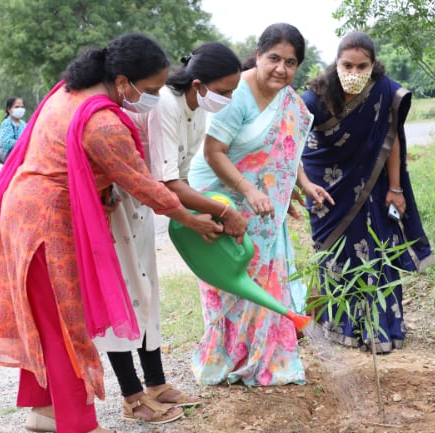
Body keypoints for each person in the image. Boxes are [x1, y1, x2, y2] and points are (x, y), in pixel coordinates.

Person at [0, 33, 223, 433]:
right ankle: (79, 424)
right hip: (46, 223)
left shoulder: (65, 92)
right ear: (123, 82)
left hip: (25, 213)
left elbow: (64, 159)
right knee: (64, 326)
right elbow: (145, 186)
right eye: (151, 90)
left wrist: (97, 190)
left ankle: (46, 413)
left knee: (46, 320)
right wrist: (193, 218)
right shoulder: (103, 122)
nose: (155, 98)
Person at [93, 41, 247, 423]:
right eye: (224, 91)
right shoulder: (165, 106)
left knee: (146, 295)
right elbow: (169, 181)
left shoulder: (195, 112)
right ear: (199, 85)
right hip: (119, 205)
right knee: (123, 297)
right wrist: (222, 210)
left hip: (144, 206)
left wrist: (210, 209)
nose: (228, 98)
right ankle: (131, 397)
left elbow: (177, 179)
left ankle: (156, 383)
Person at [187, 23, 334, 386]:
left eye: (291, 62)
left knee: (267, 282)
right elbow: (213, 151)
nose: (281, 69)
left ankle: (267, 357)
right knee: (229, 279)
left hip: (264, 204)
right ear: (258, 55)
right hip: (219, 197)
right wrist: (248, 192)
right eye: (274, 59)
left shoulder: (288, 99)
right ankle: (228, 356)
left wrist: (301, 184)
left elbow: (286, 148)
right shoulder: (234, 94)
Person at [301, 31, 434, 353]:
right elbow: (292, 146)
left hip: (374, 190)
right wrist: (303, 183)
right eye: (348, 65)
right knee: (335, 255)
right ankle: (341, 326)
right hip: (327, 192)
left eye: (363, 67)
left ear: (374, 66)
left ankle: (381, 328)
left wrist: (395, 188)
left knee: (377, 251)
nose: (355, 73)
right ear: (336, 63)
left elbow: (392, 141)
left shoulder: (384, 93)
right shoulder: (313, 98)